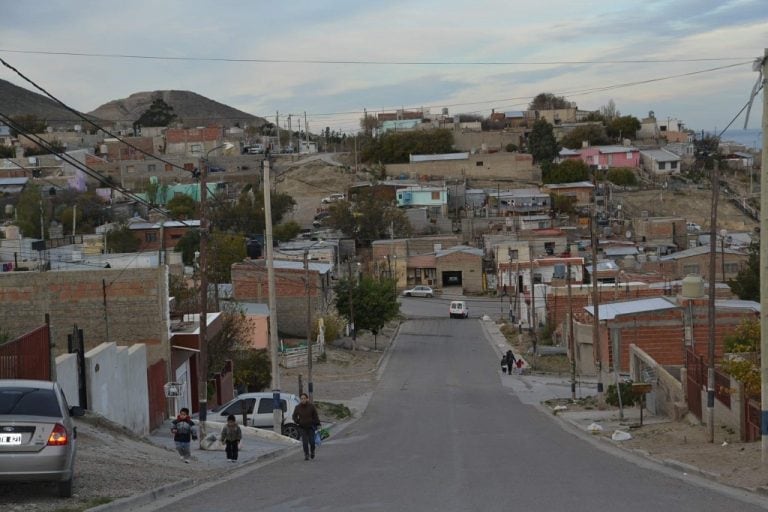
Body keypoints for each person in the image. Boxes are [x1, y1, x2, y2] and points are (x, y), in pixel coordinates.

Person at [292, 392, 320, 461]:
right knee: (305, 442)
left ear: (307, 399)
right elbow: (294, 416)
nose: (303, 400)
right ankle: (306, 454)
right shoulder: (297, 407)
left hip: (311, 427)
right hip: (302, 427)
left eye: (304, 398)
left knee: (312, 442)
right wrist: (298, 421)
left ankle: (312, 452)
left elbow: (315, 416)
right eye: (301, 399)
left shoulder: (311, 406)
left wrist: (317, 424)